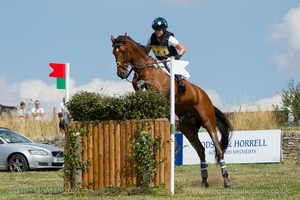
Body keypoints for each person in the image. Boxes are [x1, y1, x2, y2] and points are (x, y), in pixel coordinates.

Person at [145, 17, 187, 93]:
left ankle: (180, 83)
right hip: (158, 61)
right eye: (156, 29)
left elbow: (183, 48)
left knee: (173, 68)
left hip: (170, 59)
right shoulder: (151, 39)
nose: (158, 31)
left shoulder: (170, 38)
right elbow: (146, 52)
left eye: (160, 29)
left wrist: (179, 55)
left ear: (164, 29)